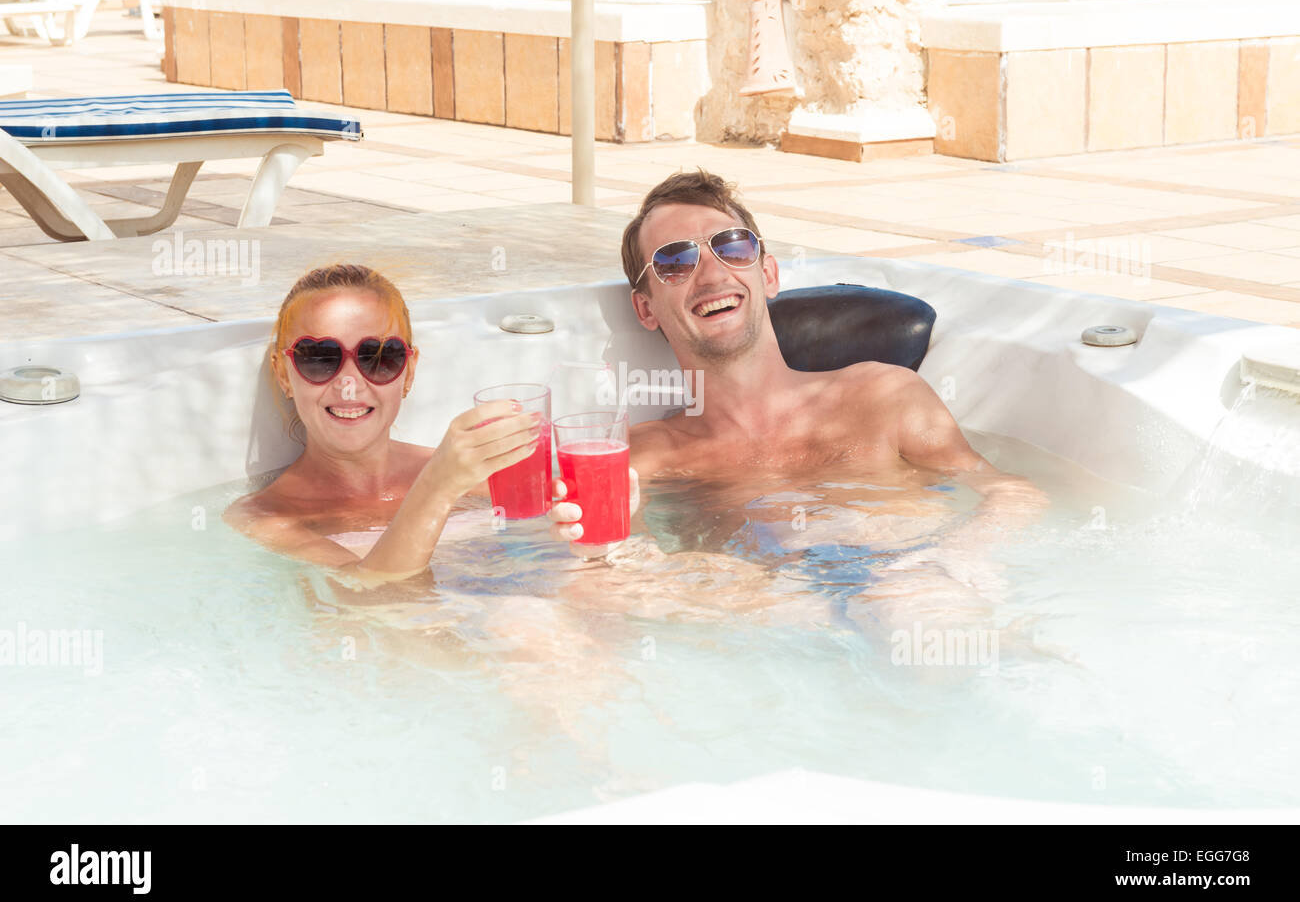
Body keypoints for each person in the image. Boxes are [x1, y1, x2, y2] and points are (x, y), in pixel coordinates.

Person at [549, 169, 1047, 570]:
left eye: (733, 246)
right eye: (674, 261)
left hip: (917, 580)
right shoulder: (643, 456)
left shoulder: (884, 397)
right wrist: (609, 552)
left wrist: (954, 560)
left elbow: (1010, 494)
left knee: (907, 600)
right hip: (763, 615)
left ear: (767, 274)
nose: (712, 272)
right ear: (646, 309)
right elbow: (502, 523)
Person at [224, 263, 545, 588]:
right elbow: (374, 594)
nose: (349, 383)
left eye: (377, 357)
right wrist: (438, 485)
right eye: (320, 358)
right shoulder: (267, 517)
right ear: (283, 374)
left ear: (408, 372)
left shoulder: (478, 474)